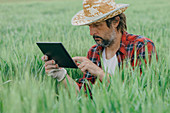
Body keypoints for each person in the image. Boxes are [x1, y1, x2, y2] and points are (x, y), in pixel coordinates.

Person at [42, 0, 157, 92]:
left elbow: (140, 91)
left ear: (115, 22)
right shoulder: (93, 52)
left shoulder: (142, 46)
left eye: (97, 25)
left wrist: (99, 72)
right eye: (89, 26)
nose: (91, 33)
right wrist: (61, 75)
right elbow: (84, 94)